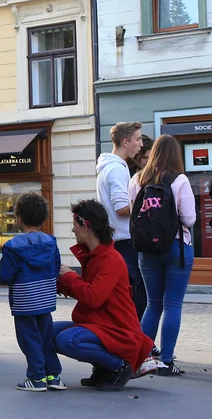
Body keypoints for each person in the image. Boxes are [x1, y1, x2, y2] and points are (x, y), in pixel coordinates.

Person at [55, 200, 155, 391]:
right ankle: (102, 368)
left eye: (75, 225)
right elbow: (86, 290)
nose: (73, 230)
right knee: (46, 330)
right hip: (99, 324)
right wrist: (60, 283)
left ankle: (119, 367)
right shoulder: (95, 256)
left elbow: (93, 297)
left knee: (66, 340)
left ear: (86, 226)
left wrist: (70, 277)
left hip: (117, 330)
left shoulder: (110, 259)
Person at [129, 134, 195, 375]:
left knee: (152, 304)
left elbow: (134, 211)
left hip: (146, 249)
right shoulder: (179, 180)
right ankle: (166, 361)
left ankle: (143, 358)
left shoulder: (137, 179)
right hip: (176, 248)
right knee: (173, 304)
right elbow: (189, 218)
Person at [0, 193, 65, 392]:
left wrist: (0, 278)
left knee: (29, 339)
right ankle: (53, 376)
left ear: (19, 218)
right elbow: (55, 268)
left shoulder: (12, 247)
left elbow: (7, 276)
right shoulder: (51, 242)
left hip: (24, 301)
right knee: (45, 337)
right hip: (45, 298)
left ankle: (36, 378)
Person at [96, 122, 146, 320]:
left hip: (117, 239)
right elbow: (122, 208)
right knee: (137, 297)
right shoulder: (116, 169)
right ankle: (137, 342)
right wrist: (147, 203)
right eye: (138, 139)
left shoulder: (110, 166)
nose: (141, 144)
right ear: (126, 141)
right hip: (124, 241)